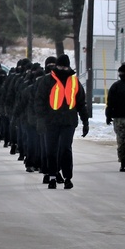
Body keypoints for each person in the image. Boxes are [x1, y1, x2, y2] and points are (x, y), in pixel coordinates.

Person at [34, 54, 89, 189]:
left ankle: (67, 178)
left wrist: (85, 121)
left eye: (64, 67)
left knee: (65, 149)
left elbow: (81, 103)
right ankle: (52, 176)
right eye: (59, 66)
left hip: (68, 122)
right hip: (50, 122)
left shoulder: (75, 82)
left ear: (68, 67)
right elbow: (39, 102)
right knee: (51, 150)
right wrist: (40, 120)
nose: (62, 69)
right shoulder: (47, 81)